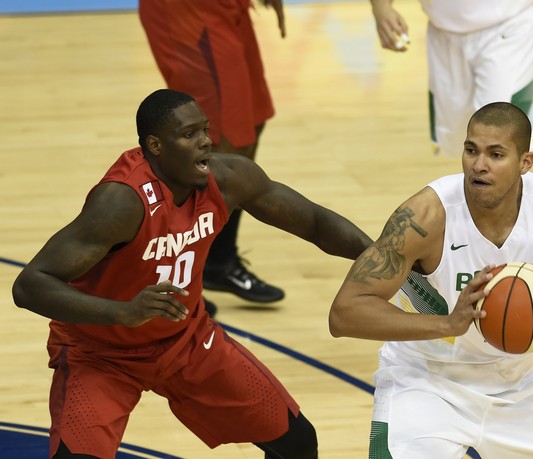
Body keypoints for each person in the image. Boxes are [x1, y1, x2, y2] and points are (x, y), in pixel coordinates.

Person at [12, 89, 372, 459]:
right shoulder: (121, 201)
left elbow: (313, 221)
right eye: (189, 135)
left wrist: (385, 259)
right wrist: (123, 313)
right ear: (155, 145)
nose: (205, 142)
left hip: (187, 341)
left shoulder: (228, 178)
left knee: (297, 442)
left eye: (205, 130)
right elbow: (30, 285)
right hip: (102, 353)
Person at [329, 102, 533, 458]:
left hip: (526, 387)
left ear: (525, 162)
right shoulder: (426, 216)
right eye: (471, 150)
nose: (479, 165)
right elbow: (344, 313)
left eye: (495, 154)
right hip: (427, 383)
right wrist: (448, 323)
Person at [139, 0, 288, 311]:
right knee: (215, 138)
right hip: (188, 12)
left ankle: (217, 263)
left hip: (229, 8)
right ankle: (172, 271)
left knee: (251, 120)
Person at [370, 0, 533, 156]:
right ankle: (475, 214)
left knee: (499, 137)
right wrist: (381, 7)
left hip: (512, 25)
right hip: (444, 31)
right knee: (462, 143)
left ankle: (510, 217)